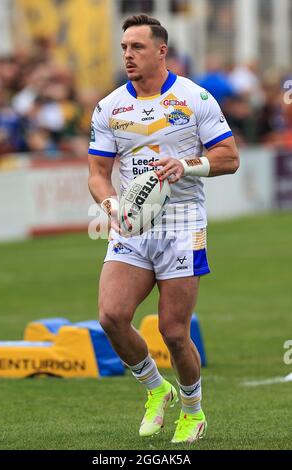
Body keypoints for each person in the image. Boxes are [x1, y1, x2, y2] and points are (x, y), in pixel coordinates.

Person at [88, 14, 239, 444]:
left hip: (182, 223)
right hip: (131, 222)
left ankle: (193, 411)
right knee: (112, 316)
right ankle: (157, 388)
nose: (128, 56)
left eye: (136, 47)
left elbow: (229, 157)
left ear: (161, 50)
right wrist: (111, 204)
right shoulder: (110, 106)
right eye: (124, 48)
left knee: (173, 331)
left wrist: (188, 164)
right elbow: (97, 172)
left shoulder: (195, 98)